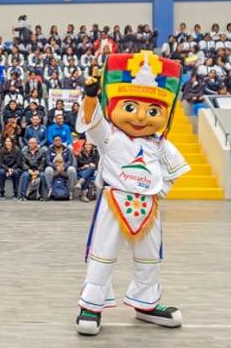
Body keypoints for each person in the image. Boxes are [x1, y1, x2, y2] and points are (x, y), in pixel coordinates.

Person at [75, 52, 190, 335]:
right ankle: (91, 304)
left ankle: (146, 303)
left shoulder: (159, 144)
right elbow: (93, 121)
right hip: (114, 201)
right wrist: (91, 96)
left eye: (152, 111)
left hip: (148, 208)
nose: (141, 117)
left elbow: (173, 171)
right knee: (102, 253)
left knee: (149, 257)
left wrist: (160, 191)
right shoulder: (111, 137)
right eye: (131, 107)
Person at [44, 135, 77, 199]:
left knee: (72, 169)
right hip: (55, 170)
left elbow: (70, 161)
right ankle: (50, 189)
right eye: (56, 140)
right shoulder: (49, 150)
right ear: (53, 141)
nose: (58, 141)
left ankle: (70, 191)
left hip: (64, 170)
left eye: (59, 140)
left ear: (61, 141)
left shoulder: (67, 149)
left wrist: (64, 166)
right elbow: (48, 161)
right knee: (48, 169)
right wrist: (55, 166)